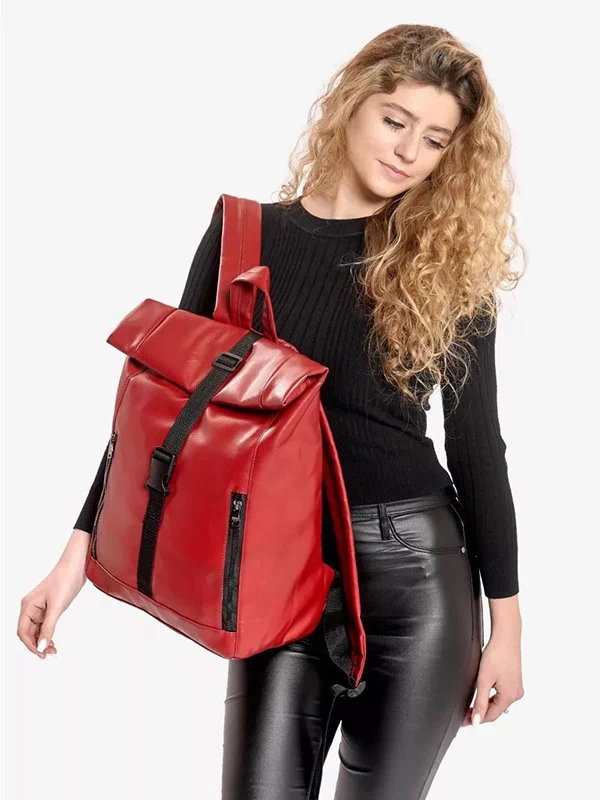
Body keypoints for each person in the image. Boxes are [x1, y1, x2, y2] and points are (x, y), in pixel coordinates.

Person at [18, 23, 525, 799]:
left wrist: (507, 629)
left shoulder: (447, 266)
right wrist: (76, 558)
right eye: (395, 121)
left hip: (415, 576)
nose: (407, 152)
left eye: (433, 140)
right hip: (274, 567)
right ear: (352, 102)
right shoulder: (243, 236)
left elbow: (479, 450)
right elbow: (160, 420)